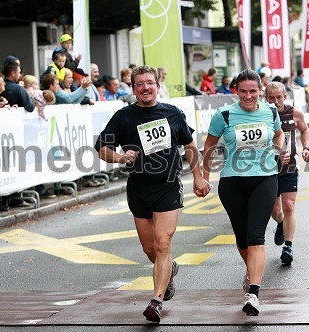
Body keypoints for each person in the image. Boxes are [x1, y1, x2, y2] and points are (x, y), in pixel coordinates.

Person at [94, 65, 210, 323]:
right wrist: (120, 156)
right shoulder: (123, 117)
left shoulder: (172, 113)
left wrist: (199, 176)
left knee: (163, 243)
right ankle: (169, 270)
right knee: (149, 248)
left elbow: (189, 144)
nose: (145, 87)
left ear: (157, 85)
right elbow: (101, 148)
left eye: (150, 83)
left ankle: (156, 300)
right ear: (133, 89)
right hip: (138, 188)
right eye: (140, 84)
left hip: (168, 185)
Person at [202, 69, 288, 316]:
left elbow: (280, 133)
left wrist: (276, 149)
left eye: (253, 91)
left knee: (256, 236)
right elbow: (209, 144)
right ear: (235, 91)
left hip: (264, 178)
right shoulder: (224, 114)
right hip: (232, 183)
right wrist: (204, 176)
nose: (248, 96)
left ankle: (254, 293)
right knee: (242, 239)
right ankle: (251, 273)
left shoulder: (270, 111)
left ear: (260, 90)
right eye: (243, 91)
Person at [265, 82, 309, 265]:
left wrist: (306, 148)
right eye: (271, 98)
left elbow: (305, 130)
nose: (276, 101)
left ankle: (288, 246)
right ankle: (280, 222)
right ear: (265, 98)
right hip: (268, 169)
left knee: (289, 205)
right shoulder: (261, 115)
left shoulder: (294, 114)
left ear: (285, 96)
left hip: (290, 167)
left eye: (279, 97)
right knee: (274, 210)